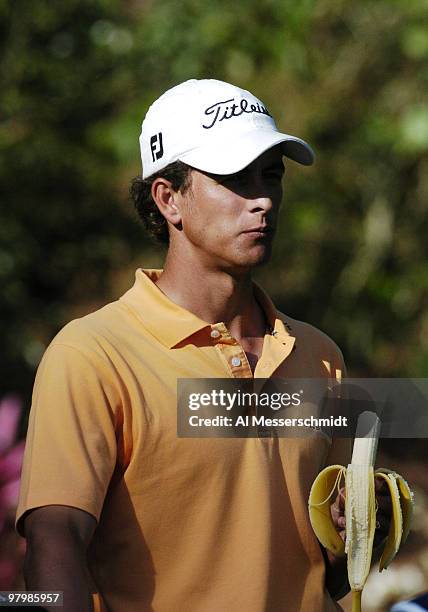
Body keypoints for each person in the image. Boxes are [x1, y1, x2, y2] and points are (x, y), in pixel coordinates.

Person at [16, 79, 391, 612]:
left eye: (271, 176)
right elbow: (55, 544)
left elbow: (322, 572)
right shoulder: (92, 354)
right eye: (235, 178)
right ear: (168, 199)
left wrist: (355, 531)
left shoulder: (320, 355)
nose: (262, 199)